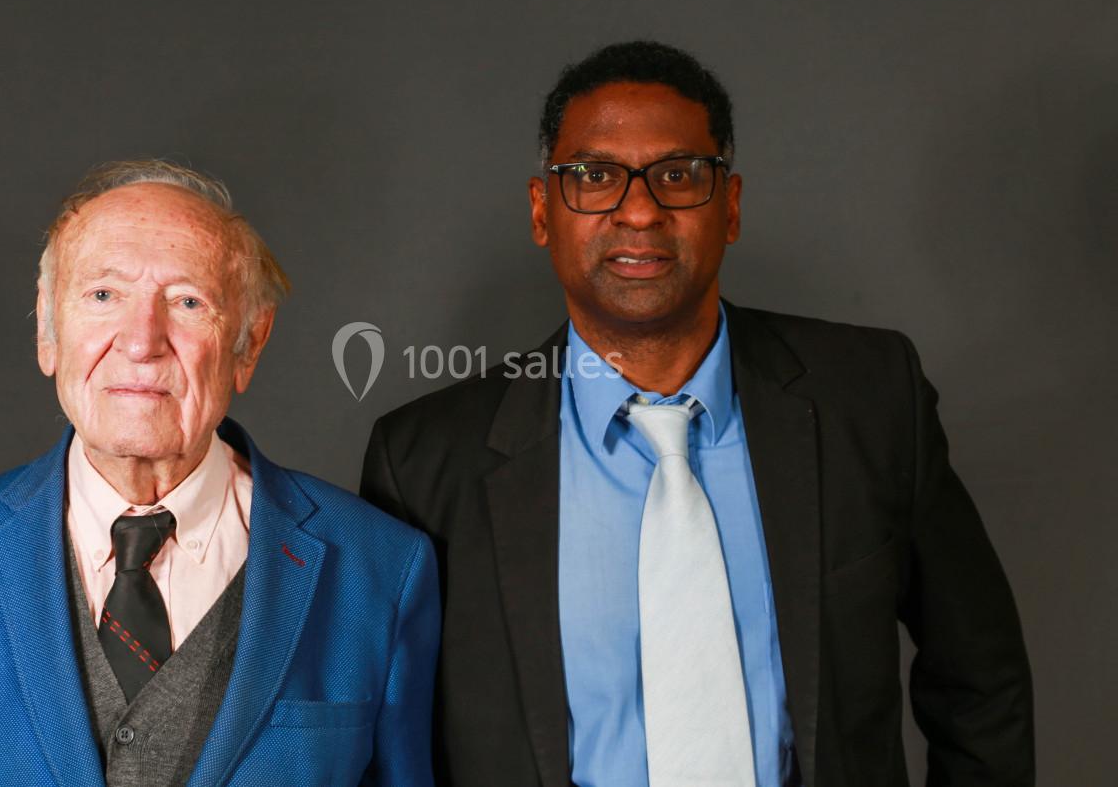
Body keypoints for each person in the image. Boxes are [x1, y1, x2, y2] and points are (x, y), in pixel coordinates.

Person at [360, 41, 1033, 787]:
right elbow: (390, 744)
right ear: (542, 212)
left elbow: (980, 678)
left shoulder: (870, 400)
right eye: (594, 176)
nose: (641, 210)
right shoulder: (424, 463)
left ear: (732, 206)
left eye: (679, 176)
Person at [0, 160, 439, 787]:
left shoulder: (381, 567)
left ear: (249, 343)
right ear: (48, 330)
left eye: (188, 302)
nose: (142, 341)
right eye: (103, 295)